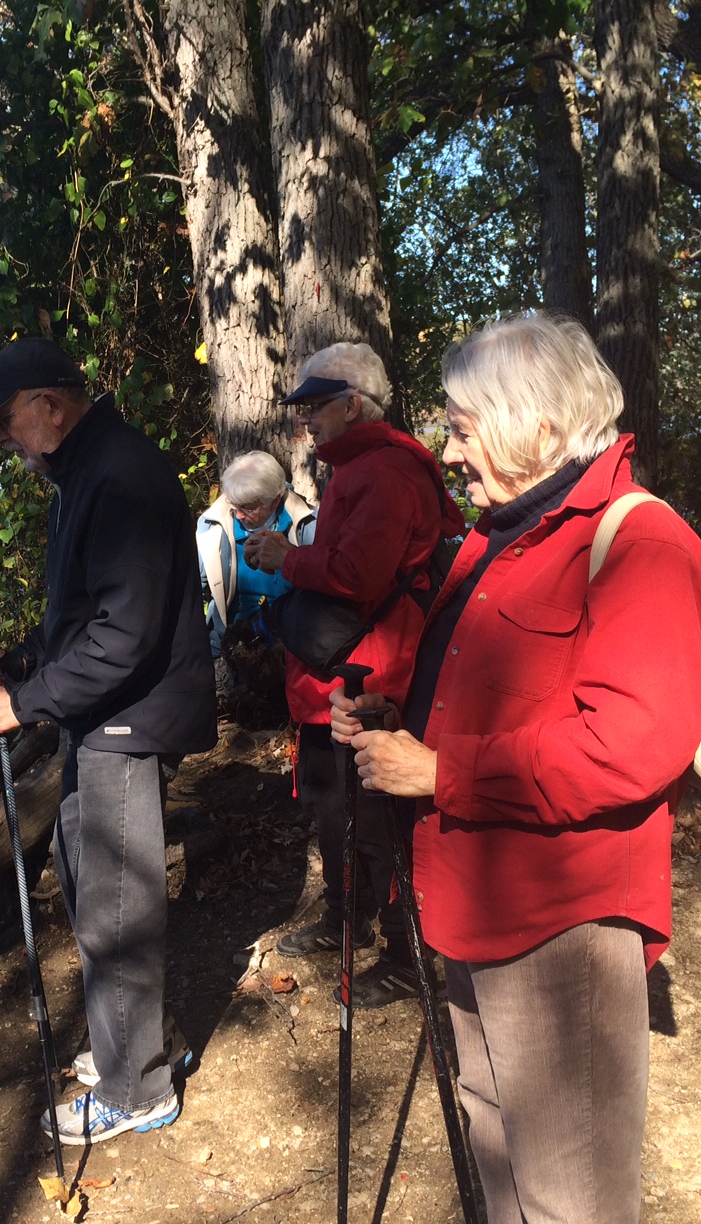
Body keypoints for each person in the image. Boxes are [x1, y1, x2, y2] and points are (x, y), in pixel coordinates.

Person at [335, 313, 701, 1223]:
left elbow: (629, 744)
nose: (449, 446)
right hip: (473, 900)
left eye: (464, 425)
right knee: (495, 1140)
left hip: (563, 924)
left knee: (571, 1194)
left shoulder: (644, 543)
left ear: (538, 426)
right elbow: (497, 692)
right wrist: (398, 724)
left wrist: (440, 774)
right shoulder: (510, 533)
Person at [0, 336, 216, 1144]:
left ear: (49, 406)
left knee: (116, 903)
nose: (0, 438)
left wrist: (23, 702)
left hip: (126, 724)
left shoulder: (120, 474)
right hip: (100, 719)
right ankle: (128, 1046)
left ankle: (139, 1090)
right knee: (84, 877)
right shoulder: (83, 471)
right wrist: (21, 658)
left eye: (3, 421)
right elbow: (82, 618)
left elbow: (124, 638)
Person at [245, 341, 463, 1007]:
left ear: (352, 403)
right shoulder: (361, 467)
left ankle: (403, 953)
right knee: (333, 808)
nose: (304, 417)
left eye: (315, 404)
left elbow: (359, 576)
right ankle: (348, 922)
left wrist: (288, 557)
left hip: (374, 674)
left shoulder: (386, 472)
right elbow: (352, 561)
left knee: (373, 819)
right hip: (341, 670)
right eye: (302, 405)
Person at [195, 450, 316, 656]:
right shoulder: (213, 526)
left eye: (249, 508)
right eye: (234, 506)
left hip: (293, 646)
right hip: (227, 646)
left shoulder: (307, 525)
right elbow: (195, 589)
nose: (239, 515)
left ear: (275, 501)